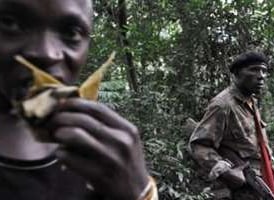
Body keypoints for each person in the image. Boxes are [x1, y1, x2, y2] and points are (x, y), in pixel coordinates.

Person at [0, 0, 157, 200]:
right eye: (10, 22)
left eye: (71, 33)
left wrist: (141, 193)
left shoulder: (99, 152)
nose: (47, 53)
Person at [188, 52, 274, 200]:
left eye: (263, 71)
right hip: (242, 189)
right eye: (254, 70)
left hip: (262, 179)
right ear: (237, 73)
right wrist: (227, 172)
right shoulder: (223, 105)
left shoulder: (251, 101)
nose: (261, 75)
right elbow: (199, 145)